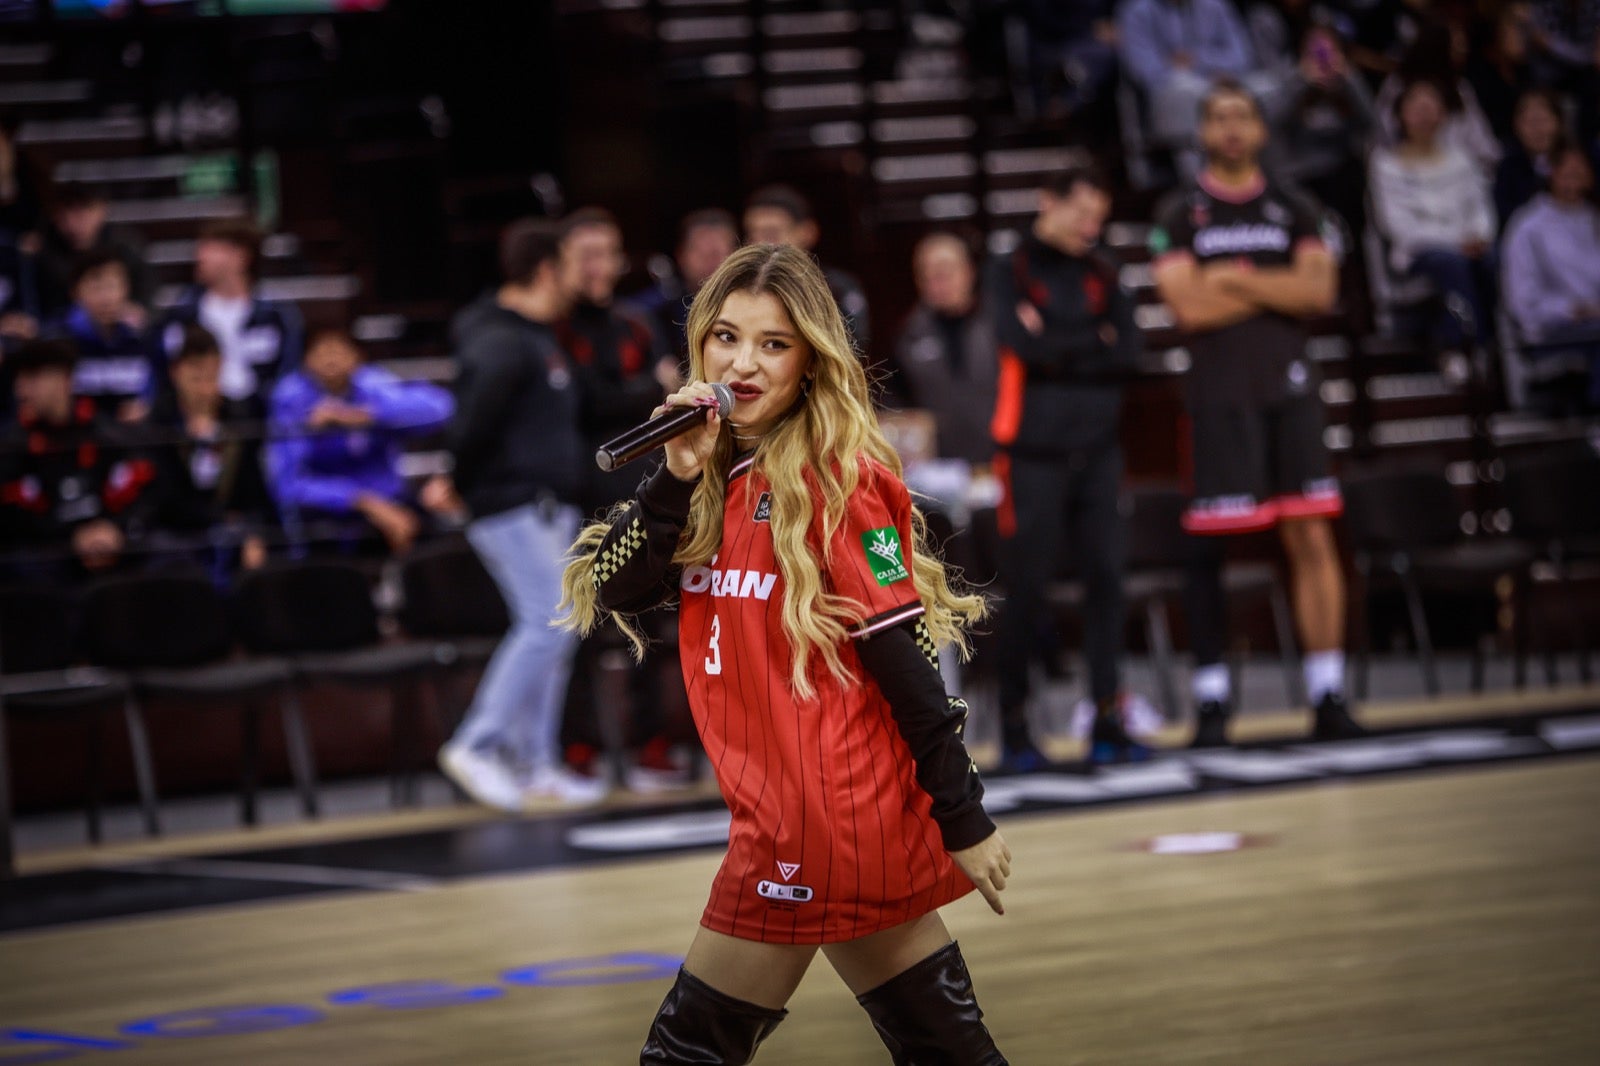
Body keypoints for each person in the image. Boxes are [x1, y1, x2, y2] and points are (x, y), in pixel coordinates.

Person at [559, 242, 1010, 1065]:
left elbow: (902, 651)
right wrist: (671, 476)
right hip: (805, 810)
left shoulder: (841, 478)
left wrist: (963, 812)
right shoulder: (710, 473)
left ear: (811, 361)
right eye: (726, 338)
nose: (743, 363)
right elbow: (616, 589)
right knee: (947, 1051)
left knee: (687, 1053)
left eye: (774, 344)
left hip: (818, 815)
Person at [1149, 78, 1364, 747]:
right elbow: (1187, 306)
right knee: (1209, 549)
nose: (1233, 127)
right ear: (1205, 132)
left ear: (1263, 131)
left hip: (1292, 394)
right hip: (1217, 400)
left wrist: (1233, 278)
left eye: (1243, 116)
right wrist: (1277, 288)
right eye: (1220, 117)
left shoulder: (1297, 205)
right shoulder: (1180, 211)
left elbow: (1319, 289)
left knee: (1310, 538)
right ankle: (1213, 704)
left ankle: (1328, 694)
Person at [422, 218, 599, 810]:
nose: (584, 273)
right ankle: (476, 743)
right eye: (574, 261)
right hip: (511, 502)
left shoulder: (540, 334)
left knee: (562, 626)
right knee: (548, 617)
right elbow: (472, 420)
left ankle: (534, 763)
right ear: (548, 268)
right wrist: (455, 477)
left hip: (549, 504)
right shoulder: (498, 337)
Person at [983, 166, 1143, 770]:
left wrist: (1059, 341)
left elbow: (1130, 351)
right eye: (1082, 212)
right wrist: (1090, 342)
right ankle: (1018, 727)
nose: (1091, 227)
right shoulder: (1010, 268)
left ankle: (1108, 717)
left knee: (1108, 581)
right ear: (1046, 202)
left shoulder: (1105, 272)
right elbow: (1018, 345)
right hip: (1030, 454)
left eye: (1099, 217)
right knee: (1027, 589)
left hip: (1101, 451)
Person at [552, 206, 684, 793]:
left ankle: (650, 745)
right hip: (574, 498)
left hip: (641, 494)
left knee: (649, 625)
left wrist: (635, 395)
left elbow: (664, 403)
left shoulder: (636, 323)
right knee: (578, 629)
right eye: (583, 254)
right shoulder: (552, 329)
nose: (595, 265)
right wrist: (640, 390)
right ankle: (575, 748)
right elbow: (582, 404)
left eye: (604, 253)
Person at [264, 329, 452, 557]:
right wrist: (362, 501)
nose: (331, 359)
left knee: (436, 530)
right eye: (322, 352)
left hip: (388, 497)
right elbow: (288, 484)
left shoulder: (371, 384)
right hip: (330, 508)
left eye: (338, 351)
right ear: (306, 360)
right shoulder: (291, 398)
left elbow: (440, 407)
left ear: (356, 358)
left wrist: (366, 416)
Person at [0, 338, 154, 580]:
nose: (20, 390)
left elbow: (144, 494)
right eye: (19, 379)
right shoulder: (11, 446)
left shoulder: (106, 434)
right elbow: (14, 520)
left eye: (32, 377)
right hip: (46, 563)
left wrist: (115, 529)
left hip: (109, 550)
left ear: (64, 379)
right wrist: (71, 538)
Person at [1369, 79, 1499, 347]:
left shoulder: (1461, 158)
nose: (1424, 115)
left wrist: (1479, 235)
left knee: (1493, 260)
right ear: (1400, 116)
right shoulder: (1385, 164)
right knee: (1451, 264)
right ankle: (1470, 345)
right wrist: (1457, 244)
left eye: (1431, 108)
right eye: (1417, 108)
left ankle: (1498, 348)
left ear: (1443, 114)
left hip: (1468, 246)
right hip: (1418, 251)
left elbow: (1480, 209)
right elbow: (1397, 225)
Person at [145, 324, 273, 574]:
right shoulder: (158, 425)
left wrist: (253, 533)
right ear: (175, 373)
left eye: (211, 377)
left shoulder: (239, 420)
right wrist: (191, 445)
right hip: (177, 532)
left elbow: (255, 492)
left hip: (233, 528)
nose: (205, 389)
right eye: (195, 378)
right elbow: (163, 499)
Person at [153, 217, 303, 406]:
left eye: (210, 248)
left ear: (240, 256)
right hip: (196, 417)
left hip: (259, 418)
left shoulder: (277, 315)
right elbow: (163, 370)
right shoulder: (181, 315)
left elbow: (288, 374)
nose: (200, 256)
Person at [1502, 140, 1600, 412]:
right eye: (1566, 170)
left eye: (1580, 170)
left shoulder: (1594, 218)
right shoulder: (1528, 226)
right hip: (1553, 333)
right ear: (1550, 174)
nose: (1573, 176)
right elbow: (1523, 302)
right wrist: (1574, 310)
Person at [1117, 0, 1278, 162]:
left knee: (1268, 87)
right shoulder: (1136, 12)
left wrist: (1199, 61)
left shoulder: (1216, 5)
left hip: (1224, 81)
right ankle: (1197, 180)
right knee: (1185, 90)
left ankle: (1270, 174)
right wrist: (1204, 77)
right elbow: (1146, 70)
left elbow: (1241, 57)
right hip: (1171, 93)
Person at [1269, 23, 1378, 236]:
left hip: (1340, 172)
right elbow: (1270, 122)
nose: (1322, 60)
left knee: (1354, 183)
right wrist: (1302, 82)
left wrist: (1349, 80)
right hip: (1299, 174)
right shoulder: (1289, 79)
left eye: (1329, 52)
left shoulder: (1348, 83)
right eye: (1315, 52)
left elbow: (1372, 124)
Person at [743, 184, 871, 353]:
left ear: (808, 232)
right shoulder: (739, 290)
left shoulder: (837, 289)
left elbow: (853, 348)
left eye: (771, 233)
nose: (760, 244)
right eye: (753, 234)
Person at [1374, 22, 1502, 175]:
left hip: (1457, 178)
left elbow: (1484, 147)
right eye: (1457, 47)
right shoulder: (1397, 85)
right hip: (1407, 174)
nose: (1463, 51)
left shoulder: (1461, 89)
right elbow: (1382, 138)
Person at [51, 250, 154, 421]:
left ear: (126, 289)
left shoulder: (143, 340)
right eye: (96, 288)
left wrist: (145, 410)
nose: (105, 299)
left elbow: (152, 396)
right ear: (76, 292)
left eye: (111, 286)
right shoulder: (58, 341)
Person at [630, 207, 739, 366]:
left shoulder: (753, 307)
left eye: (717, 253)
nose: (710, 263)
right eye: (701, 253)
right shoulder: (657, 307)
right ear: (681, 255)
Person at [37, 182, 155, 317]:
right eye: (67, 212)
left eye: (84, 212)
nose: (74, 222)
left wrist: (137, 311)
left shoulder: (124, 244)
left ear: (102, 210)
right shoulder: (43, 250)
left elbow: (147, 284)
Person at [1494, 87, 1568, 231]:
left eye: (1543, 120)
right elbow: (1504, 213)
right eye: (1530, 122)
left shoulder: (1574, 160)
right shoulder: (1508, 167)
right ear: (1516, 126)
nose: (1538, 129)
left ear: (1558, 121)